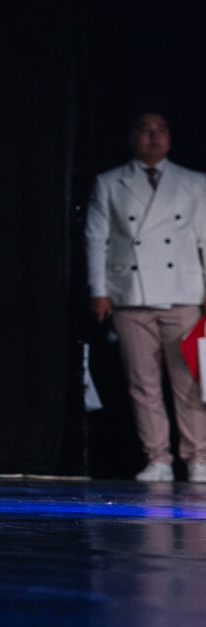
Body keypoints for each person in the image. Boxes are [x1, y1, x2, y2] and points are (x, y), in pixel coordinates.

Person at [86, 112, 206, 482]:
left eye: (161, 130)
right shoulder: (110, 182)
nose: (153, 137)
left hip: (183, 294)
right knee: (143, 383)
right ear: (132, 137)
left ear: (170, 137)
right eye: (145, 130)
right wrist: (99, 290)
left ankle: (198, 457)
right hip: (130, 293)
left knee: (191, 381)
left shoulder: (194, 182)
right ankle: (158, 459)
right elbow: (96, 238)